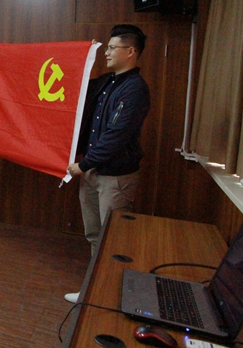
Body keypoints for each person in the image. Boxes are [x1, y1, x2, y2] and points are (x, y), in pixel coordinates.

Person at [64, 24, 151, 304]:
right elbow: (75, 85)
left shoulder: (135, 90)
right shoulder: (105, 83)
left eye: (112, 48)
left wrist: (84, 163)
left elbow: (117, 135)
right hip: (92, 172)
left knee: (113, 240)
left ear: (131, 51)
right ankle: (95, 290)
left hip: (115, 178)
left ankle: (113, 296)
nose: (107, 52)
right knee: (94, 234)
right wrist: (81, 54)